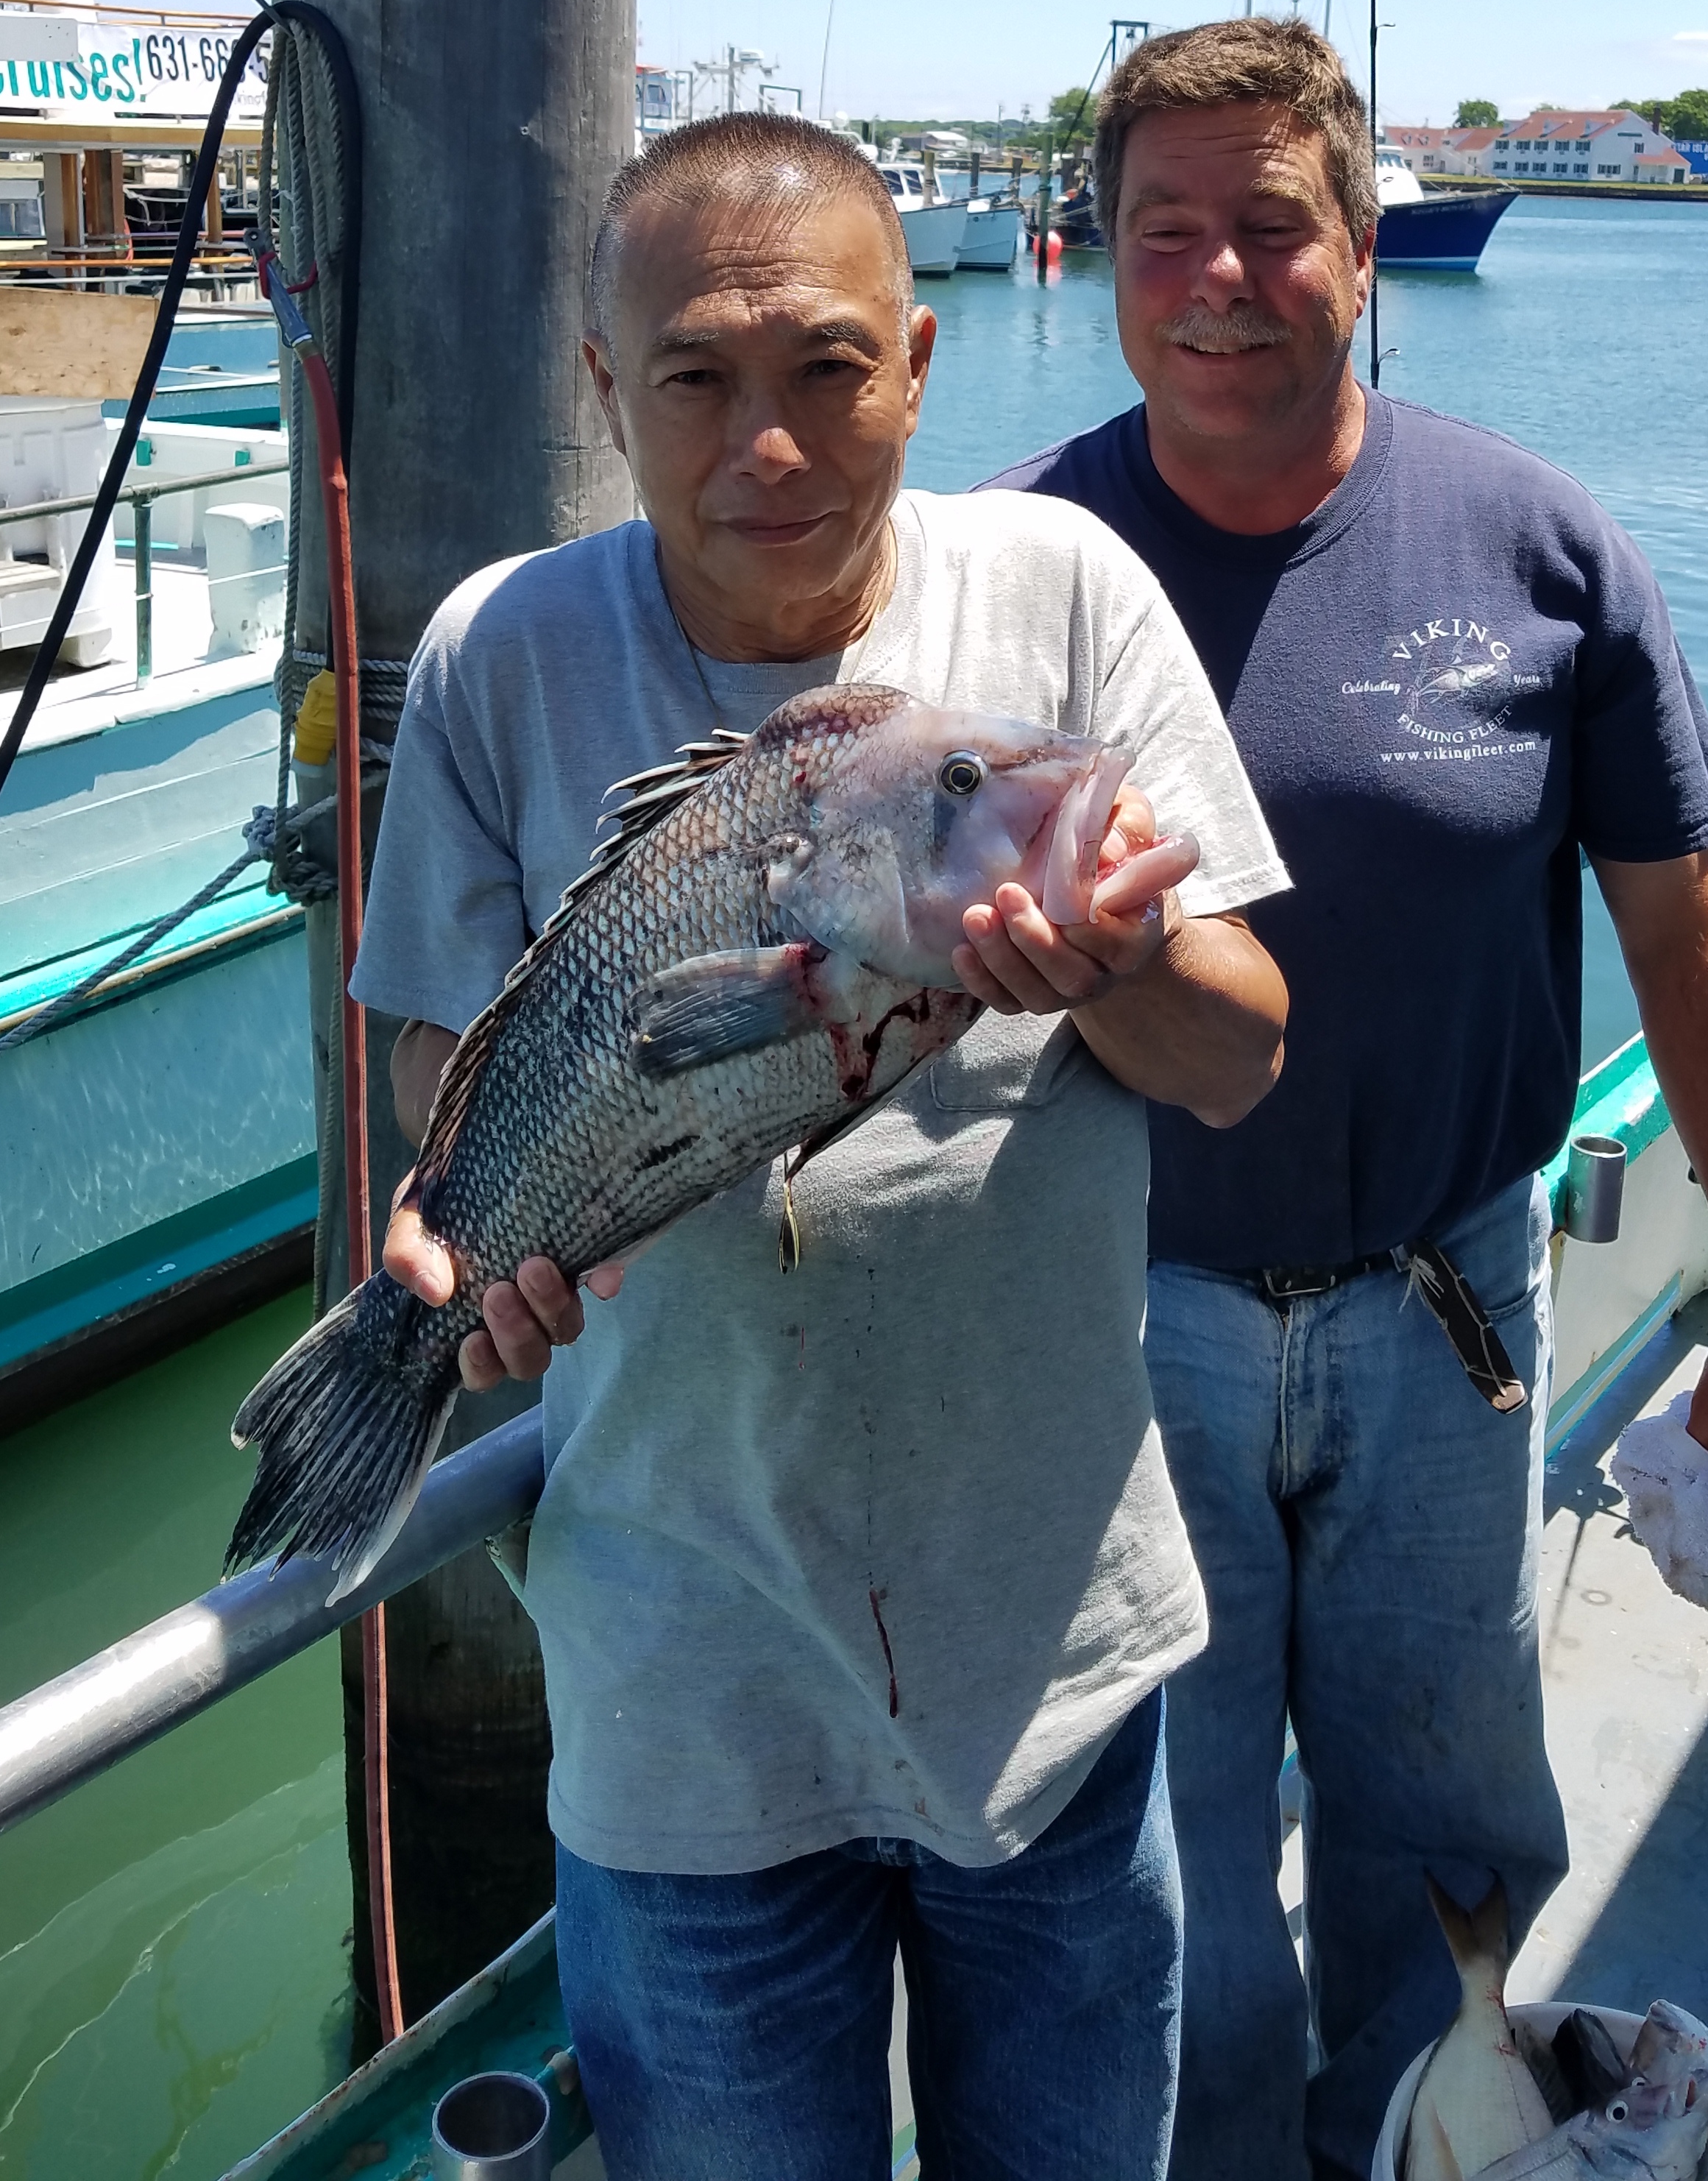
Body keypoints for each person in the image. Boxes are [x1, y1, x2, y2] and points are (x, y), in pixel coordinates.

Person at [351, 111, 1291, 2180]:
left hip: (1044, 1651)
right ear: (606, 385)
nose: (765, 445)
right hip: (675, 1675)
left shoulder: (1062, 595)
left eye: (830, 369)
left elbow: (1238, 1057)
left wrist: (1118, 959)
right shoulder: (505, 650)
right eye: (694, 377)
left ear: (919, 361)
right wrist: (473, 1224)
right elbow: (437, 1043)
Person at [994, 20, 1708, 2180]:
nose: (1218, 278)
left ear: (1365, 250)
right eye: (1163, 229)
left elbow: (1696, 942)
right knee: (1162, 1870)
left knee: (1447, 1838)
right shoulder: (1010, 574)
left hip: (1447, 1315)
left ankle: (1421, 2142)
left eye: (1274, 224)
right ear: (1102, 255)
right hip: (1116, 1325)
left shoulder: (1542, 546)